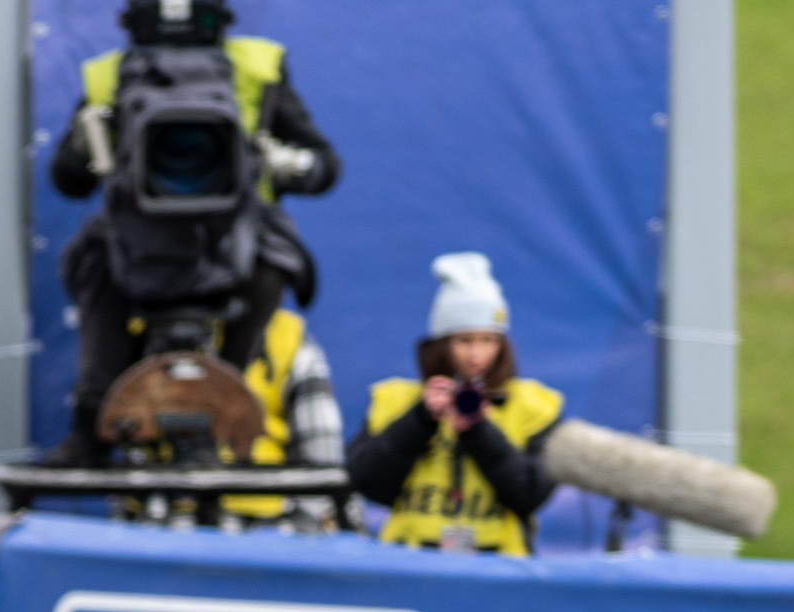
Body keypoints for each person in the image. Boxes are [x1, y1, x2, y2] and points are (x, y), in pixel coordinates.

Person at [44, 0, 341, 466]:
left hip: (235, 236)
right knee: (93, 260)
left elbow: (327, 166)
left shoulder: (258, 68)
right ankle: (91, 423)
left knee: (277, 258)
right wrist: (84, 146)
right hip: (135, 237)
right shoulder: (108, 78)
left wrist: (290, 165)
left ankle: (223, 399)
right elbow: (67, 180)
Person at [347, 254, 564, 556]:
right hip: (409, 561)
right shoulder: (395, 401)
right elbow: (368, 483)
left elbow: (531, 493)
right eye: (464, 340)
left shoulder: (533, 406)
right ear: (442, 343)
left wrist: (479, 432)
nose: (477, 355)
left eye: (489, 340)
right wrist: (420, 420)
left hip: (500, 564)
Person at [225, 306, 348, 529]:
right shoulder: (142, 332)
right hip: (154, 527)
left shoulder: (285, 339)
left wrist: (290, 537)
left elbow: (323, 470)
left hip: (266, 534)